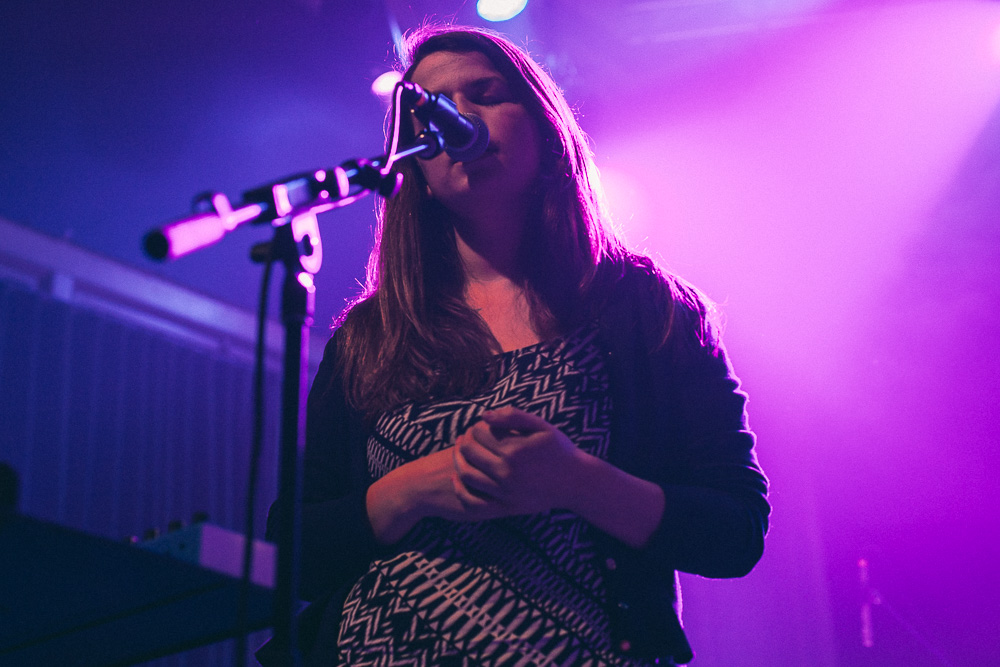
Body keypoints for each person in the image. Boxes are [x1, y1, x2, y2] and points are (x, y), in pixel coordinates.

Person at [260, 24, 769, 667]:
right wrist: (409, 489)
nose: (455, 117)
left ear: (541, 124)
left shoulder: (645, 308)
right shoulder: (370, 336)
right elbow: (290, 556)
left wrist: (575, 480)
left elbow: (735, 530)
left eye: (483, 93)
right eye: (431, 108)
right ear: (411, 162)